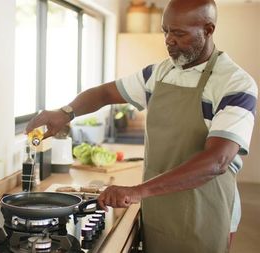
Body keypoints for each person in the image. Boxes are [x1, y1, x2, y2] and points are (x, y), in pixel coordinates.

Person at [25, 0, 257, 252]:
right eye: (166, 31)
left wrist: (137, 191)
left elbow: (217, 161)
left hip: (205, 214)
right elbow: (104, 94)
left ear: (208, 29)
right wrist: (65, 112)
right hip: (157, 207)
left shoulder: (235, 84)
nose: (169, 40)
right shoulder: (158, 74)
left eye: (179, 33)